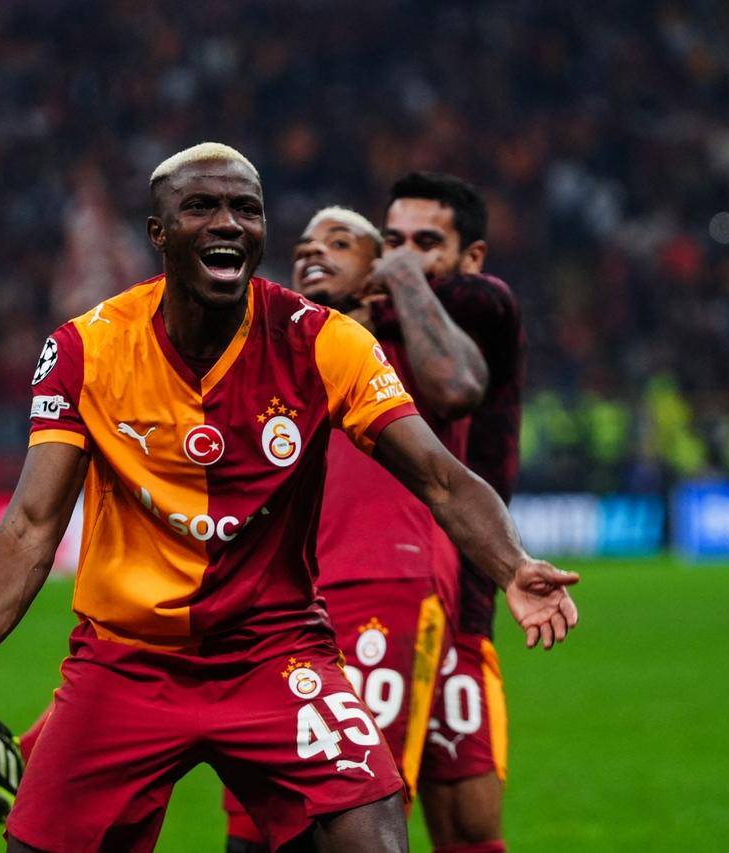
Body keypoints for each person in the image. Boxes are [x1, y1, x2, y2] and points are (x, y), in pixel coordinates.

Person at [0, 143, 577, 853]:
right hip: (127, 660)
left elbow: (441, 475)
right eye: (201, 206)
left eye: (245, 209)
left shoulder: (325, 342)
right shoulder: (86, 349)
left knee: (372, 826)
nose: (228, 222)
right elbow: (31, 525)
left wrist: (513, 565)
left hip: (274, 653)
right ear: (158, 232)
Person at [221, 205, 470, 851]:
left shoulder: (404, 345)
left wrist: (404, 279)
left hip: (383, 579)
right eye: (304, 245)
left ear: (375, 271)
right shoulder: (271, 355)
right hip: (278, 604)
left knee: (356, 805)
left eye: (339, 243)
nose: (313, 252)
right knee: (254, 818)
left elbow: (459, 388)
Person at [381, 171, 527, 853]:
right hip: (374, 597)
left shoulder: (483, 309)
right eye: (392, 241)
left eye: (425, 243)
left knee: (470, 829)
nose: (403, 257)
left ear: (472, 257)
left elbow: (455, 382)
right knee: (360, 818)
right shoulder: (351, 327)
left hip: (462, 603)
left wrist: (389, 278)